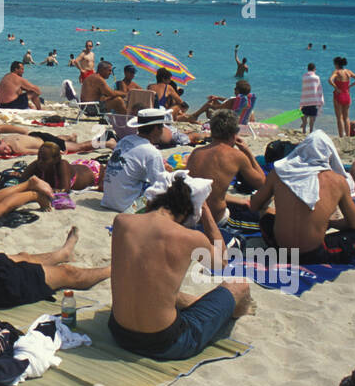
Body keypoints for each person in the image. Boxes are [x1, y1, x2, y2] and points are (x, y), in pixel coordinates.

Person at [109, 175, 251, 361]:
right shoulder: (191, 238)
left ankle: (209, 305)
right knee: (239, 285)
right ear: (187, 212)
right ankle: (233, 313)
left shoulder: (121, 222)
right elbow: (222, 263)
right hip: (167, 343)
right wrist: (206, 212)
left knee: (155, 288)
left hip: (119, 333)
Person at [247, 131, 355, 263]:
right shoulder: (337, 181)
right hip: (313, 254)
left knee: (267, 211)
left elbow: (255, 205)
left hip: (279, 247)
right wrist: (327, 222)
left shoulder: (279, 172)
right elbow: (354, 225)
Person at [186, 109, 265, 231]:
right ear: (234, 133)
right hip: (216, 219)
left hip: (190, 217)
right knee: (267, 218)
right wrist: (247, 152)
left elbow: (207, 192)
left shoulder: (196, 153)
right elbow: (262, 183)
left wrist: (238, 200)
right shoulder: (236, 156)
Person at [101, 108, 172, 212]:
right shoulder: (152, 152)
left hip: (108, 201)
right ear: (156, 129)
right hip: (127, 206)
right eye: (162, 127)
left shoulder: (125, 140)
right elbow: (159, 185)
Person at [24, 140, 103, 193]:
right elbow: (22, 178)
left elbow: (64, 190)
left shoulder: (62, 165)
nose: (40, 162)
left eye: (44, 159)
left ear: (56, 159)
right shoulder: (39, 163)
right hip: (78, 165)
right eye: (38, 158)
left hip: (93, 171)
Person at [329, 57, 355, 137]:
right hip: (347, 95)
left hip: (338, 95)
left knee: (339, 117)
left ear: (336, 64)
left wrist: (336, 88)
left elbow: (330, 80)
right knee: (346, 117)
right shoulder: (348, 72)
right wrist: (350, 86)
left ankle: (341, 136)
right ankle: (347, 135)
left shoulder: (336, 72)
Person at [299, 62, 323, 134]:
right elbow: (319, 89)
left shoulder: (304, 77)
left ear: (307, 69)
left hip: (305, 99)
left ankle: (303, 130)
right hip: (314, 99)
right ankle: (311, 131)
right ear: (314, 69)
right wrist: (321, 100)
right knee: (312, 117)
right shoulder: (317, 77)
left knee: (304, 115)